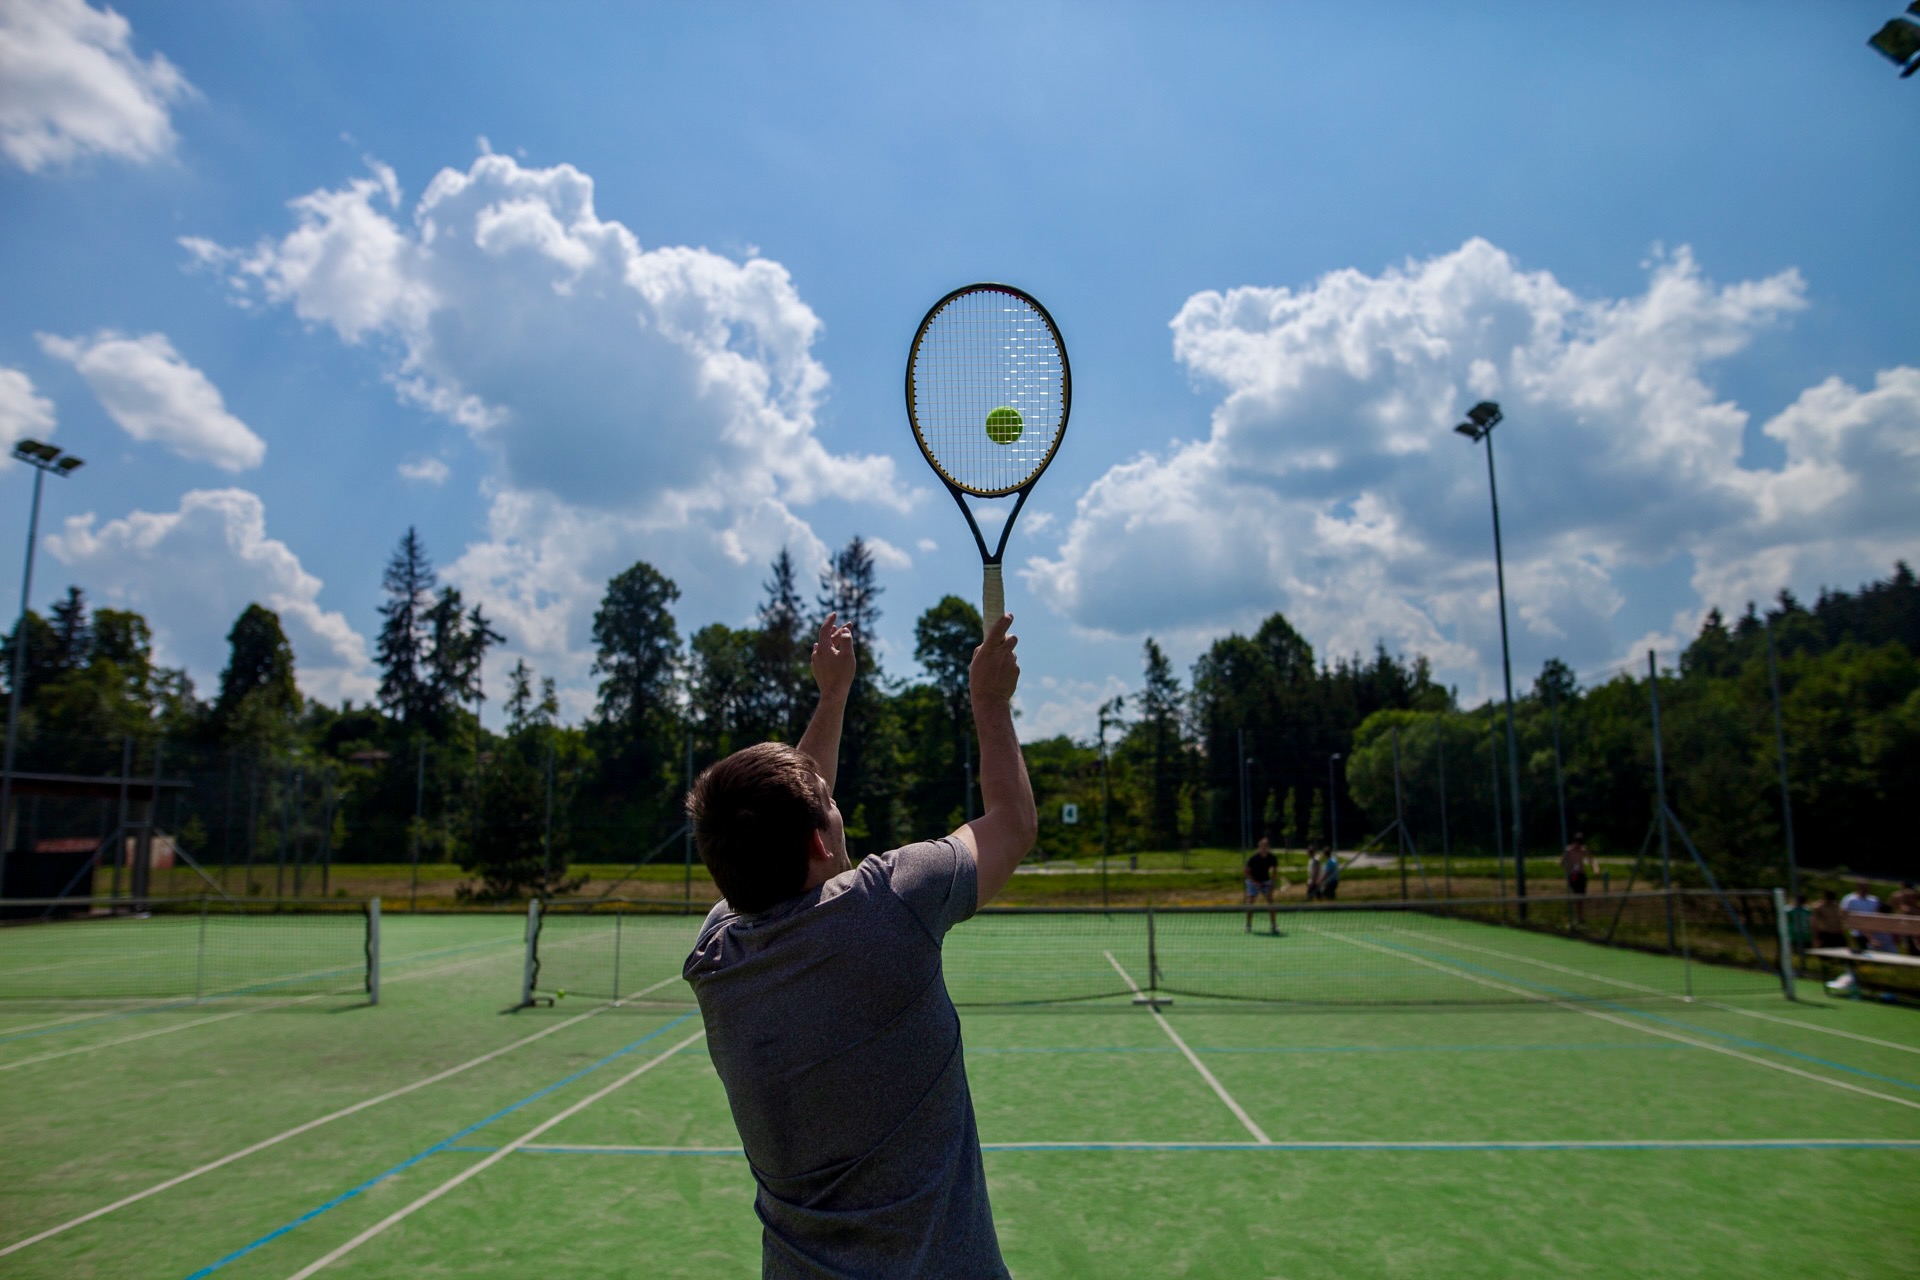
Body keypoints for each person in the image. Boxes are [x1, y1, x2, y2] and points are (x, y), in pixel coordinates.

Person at [682, 611, 1034, 1279]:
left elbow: (793, 809)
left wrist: (834, 694)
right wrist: (989, 701)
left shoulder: (715, 956)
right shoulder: (891, 904)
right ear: (820, 841)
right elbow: (1012, 825)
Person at [1244, 837, 1280, 934]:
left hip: (1266, 882)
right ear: (1259, 847)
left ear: (1268, 847)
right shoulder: (1253, 858)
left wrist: (1272, 884)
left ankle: (1273, 925)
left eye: (1266, 846)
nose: (1264, 848)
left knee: (1271, 903)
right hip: (1253, 881)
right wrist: (1255, 882)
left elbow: (1275, 871)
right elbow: (1246, 872)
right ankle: (1248, 925)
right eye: (1262, 846)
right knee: (1250, 903)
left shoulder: (1272, 858)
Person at [1560, 832, 1596, 926]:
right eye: (1577, 842)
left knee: (1581, 897)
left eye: (1580, 843)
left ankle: (1580, 916)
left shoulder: (1583, 850)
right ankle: (1574, 916)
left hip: (1581, 875)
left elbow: (1591, 860)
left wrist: (1596, 869)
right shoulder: (1568, 850)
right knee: (1576, 896)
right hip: (1573, 875)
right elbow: (1562, 863)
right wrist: (1570, 866)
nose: (1578, 845)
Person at [1840, 879, 1885, 950]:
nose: (1865, 889)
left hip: (1873, 931)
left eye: (1867, 886)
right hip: (1856, 932)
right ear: (1858, 887)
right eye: (1863, 887)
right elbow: (1843, 915)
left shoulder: (1874, 900)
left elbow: (1878, 915)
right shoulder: (1850, 899)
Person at [1890, 880, 1920, 956]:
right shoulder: (1913, 894)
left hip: (1907, 922)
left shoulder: (1897, 895)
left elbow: (1891, 906)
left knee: (1909, 944)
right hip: (1909, 922)